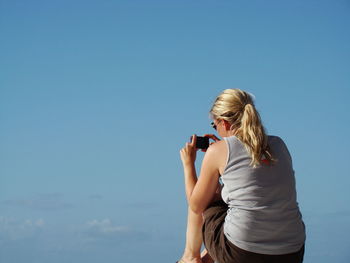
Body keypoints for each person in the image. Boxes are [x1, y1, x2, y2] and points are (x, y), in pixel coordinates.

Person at [177, 89, 306, 263]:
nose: (217, 130)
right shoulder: (279, 144)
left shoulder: (219, 150)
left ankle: (190, 257)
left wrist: (189, 164)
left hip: (242, 253)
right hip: (292, 251)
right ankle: (202, 258)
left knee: (209, 198)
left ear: (225, 123)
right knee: (231, 210)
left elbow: (196, 205)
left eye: (215, 125)